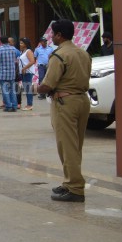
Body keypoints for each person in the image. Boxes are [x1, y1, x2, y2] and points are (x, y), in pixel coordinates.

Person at [37, 20, 93, 202]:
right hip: (82, 100)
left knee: (67, 146)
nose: (52, 37)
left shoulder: (59, 55)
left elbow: (48, 84)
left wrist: (36, 89)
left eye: (53, 34)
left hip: (64, 102)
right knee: (76, 145)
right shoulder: (83, 53)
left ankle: (75, 188)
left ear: (60, 35)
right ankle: (69, 182)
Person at [0, 38, 21, 112]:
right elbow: (18, 59)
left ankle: (8, 106)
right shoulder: (14, 50)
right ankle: (14, 106)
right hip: (12, 73)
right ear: (8, 41)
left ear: (1, 41)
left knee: (5, 90)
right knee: (12, 90)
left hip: (3, 74)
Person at [17, 38, 37, 110]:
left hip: (27, 72)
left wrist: (24, 68)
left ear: (25, 44)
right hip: (23, 72)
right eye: (20, 43)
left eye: (22, 43)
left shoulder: (28, 51)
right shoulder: (22, 51)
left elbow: (32, 61)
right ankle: (28, 104)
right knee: (26, 89)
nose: (20, 44)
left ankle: (30, 105)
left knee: (28, 89)